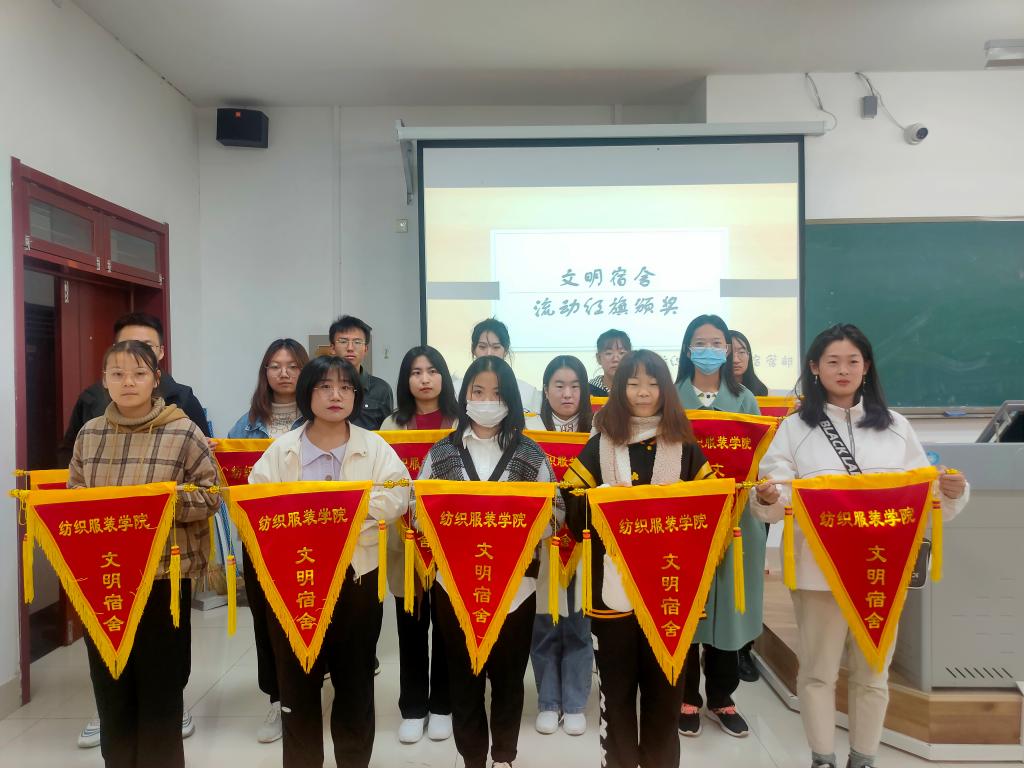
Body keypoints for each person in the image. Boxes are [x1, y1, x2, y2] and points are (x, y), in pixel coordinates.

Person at [750, 323, 969, 768]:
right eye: (833, 361)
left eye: (853, 361)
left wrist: (951, 491)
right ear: (815, 368)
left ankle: (864, 757)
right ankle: (822, 758)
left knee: (873, 673)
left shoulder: (896, 427)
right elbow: (775, 497)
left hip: (878, 571)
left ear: (866, 367)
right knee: (818, 672)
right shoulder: (794, 428)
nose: (843, 370)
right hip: (818, 571)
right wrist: (767, 497)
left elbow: (922, 494)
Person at [248, 355, 409, 768]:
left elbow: (397, 496)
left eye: (345, 387)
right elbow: (258, 501)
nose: (336, 395)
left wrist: (335, 509)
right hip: (295, 582)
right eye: (324, 386)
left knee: (355, 684)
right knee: (297, 685)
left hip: (357, 580)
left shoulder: (375, 446)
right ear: (308, 393)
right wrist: (331, 510)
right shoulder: (282, 450)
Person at [69, 340, 219, 768]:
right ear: (104, 381)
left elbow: (211, 496)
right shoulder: (89, 434)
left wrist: (157, 504)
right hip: (106, 581)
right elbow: (75, 497)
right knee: (110, 686)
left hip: (163, 578)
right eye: (117, 374)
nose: (128, 382)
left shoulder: (183, 431)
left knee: (160, 688)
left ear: (156, 379)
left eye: (138, 373)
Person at [562, 350, 715, 768]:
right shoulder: (600, 444)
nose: (643, 392)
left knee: (666, 696)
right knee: (615, 694)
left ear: (666, 390)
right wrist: (604, 502)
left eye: (652, 383)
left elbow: (711, 509)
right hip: (612, 593)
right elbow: (571, 508)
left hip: (669, 592)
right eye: (633, 383)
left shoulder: (684, 445)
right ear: (619, 389)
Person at [418, 355, 562, 768]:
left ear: (511, 399)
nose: (486, 400)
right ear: (464, 395)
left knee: (509, 680)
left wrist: (518, 525)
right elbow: (418, 509)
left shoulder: (530, 455)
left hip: (517, 589)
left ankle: (504, 756)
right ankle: (473, 758)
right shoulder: (442, 453)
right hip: (454, 587)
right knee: (463, 681)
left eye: (496, 393)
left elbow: (556, 513)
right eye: (477, 391)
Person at [673, 314, 763, 739]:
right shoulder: (670, 398)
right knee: (685, 606)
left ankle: (722, 696)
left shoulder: (745, 400)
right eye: (699, 341)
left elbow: (759, 463)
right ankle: (686, 695)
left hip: (735, 520)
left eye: (716, 342)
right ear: (687, 348)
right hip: (685, 519)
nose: (707, 349)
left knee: (728, 609)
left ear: (727, 349)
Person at [226, 338, 309, 744]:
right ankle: (277, 698)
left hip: (310, 535)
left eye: (292, 366)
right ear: (265, 373)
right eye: (275, 366)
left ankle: (308, 692)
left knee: (309, 612)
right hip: (261, 539)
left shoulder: (318, 420)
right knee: (266, 619)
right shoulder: (244, 427)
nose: (284, 373)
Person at [380, 346, 458, 744]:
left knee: (447, 627)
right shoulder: (391, 425)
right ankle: (412, 707)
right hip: (404, 541)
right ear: (405, 380)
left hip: (450, 542)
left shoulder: (460, 422)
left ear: (443, 376)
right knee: (410, 626)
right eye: (415, 372)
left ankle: (443, 704)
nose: (424, 379)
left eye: (432, 371)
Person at [525, 356, 594, 736]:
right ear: (546, 389)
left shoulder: (598, 431)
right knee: (545, 624)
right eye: (559, 386)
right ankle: (549, 701)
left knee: (580, 626)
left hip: (584, 545)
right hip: (542, 544)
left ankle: (575, 701)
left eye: (575, 386)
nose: (567, 394)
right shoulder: (529, 431)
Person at [729, 328, 769, 683]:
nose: (736, 357)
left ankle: (744, 650)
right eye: (731, 350)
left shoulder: (759, 396)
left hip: (754, 496)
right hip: (716, 495)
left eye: (742, 350)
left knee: (748, 574)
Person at [455, 318, 542, 412]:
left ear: (506, 351)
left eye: (496, 347)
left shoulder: (528, 392)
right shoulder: (455, 389)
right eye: (482, 347)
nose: (489, 353)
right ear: (473, 350)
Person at [329, 315, 393, 430]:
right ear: (332, 348)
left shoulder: (381, 389)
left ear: (365, 349)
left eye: (357, 342)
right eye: (343, 341)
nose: (350, 348)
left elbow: (387, 432)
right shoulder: (321, 386)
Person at [588, 329, 631, 397]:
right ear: (599, 358)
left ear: (630, 357)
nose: (615, 359)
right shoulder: (587, 390)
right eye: (609, 353)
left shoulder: (636, 390)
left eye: (622, 353)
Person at [731, 330, 769, 398]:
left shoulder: (761, 390)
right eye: (730, 353)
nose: (735, 360)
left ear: (748, 355)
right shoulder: (713, 391)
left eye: (741, 352)